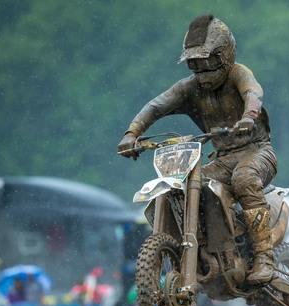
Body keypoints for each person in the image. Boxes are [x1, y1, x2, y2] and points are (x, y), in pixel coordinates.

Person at [117, 15, 277, 286]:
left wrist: (249, 116)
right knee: (185, 186)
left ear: (225, 55)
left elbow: (253, 92)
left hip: (257, 151)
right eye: (195, 64)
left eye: (207, 62)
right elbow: (156, 106)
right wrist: (132, 133)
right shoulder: (190, 87)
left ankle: (264, 256)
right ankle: (201, 248)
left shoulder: (238, 74)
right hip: (222, 158)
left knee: (244, 178)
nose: (202, 71)